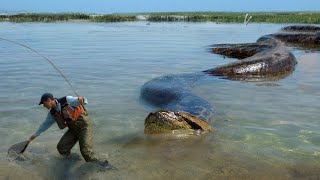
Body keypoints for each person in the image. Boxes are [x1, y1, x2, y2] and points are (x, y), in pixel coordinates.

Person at [29, 93, 108, 166]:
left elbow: (84, 100)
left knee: (85, 151)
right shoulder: (52, 113)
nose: (43, 106)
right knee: (62, 147)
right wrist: (35, 135)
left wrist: (82, 99)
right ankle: (73, 160)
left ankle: (102, 166)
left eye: (43, 103)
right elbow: (45, 124)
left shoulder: (67, 100)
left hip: (84, 126)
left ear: (48, 100)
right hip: (73, 130)